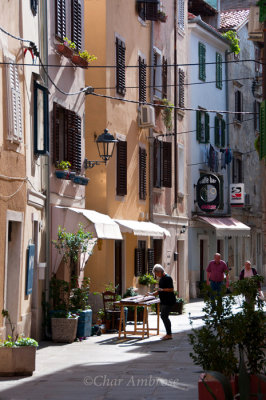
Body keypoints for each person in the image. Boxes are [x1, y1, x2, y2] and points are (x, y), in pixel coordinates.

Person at [149, 264, 176, 340]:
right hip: (164, 300)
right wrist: (152, 294)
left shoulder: (168, 278)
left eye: (156, 273)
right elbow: (160, 290)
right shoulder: (162, 278)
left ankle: (169, 334)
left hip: (169, 300)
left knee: (164, 316)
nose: (156, 275)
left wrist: (162, 290)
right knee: (164, 316)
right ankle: (168, 334)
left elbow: (171, 289)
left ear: (160, 271)